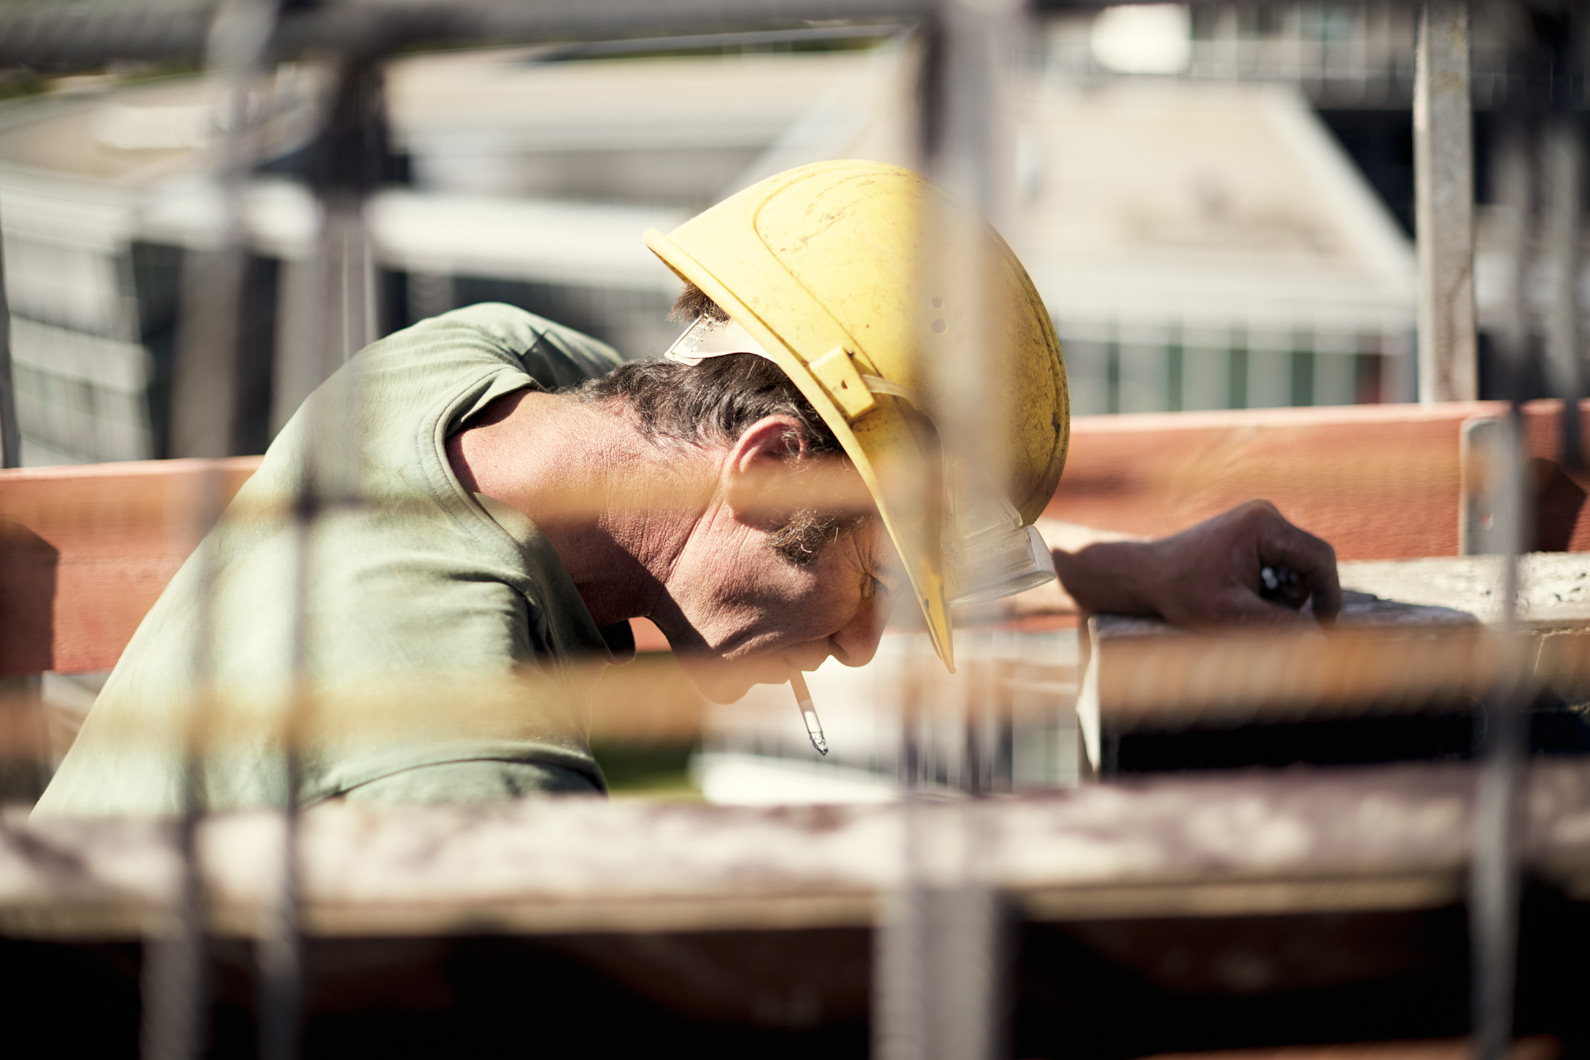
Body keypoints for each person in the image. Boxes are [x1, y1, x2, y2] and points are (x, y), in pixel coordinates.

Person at [31, 160, 1338, 816]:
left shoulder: (491, 371)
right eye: (874, 585)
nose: (862, 643)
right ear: (763, 471)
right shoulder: (463, 751)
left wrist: (1137, 569)